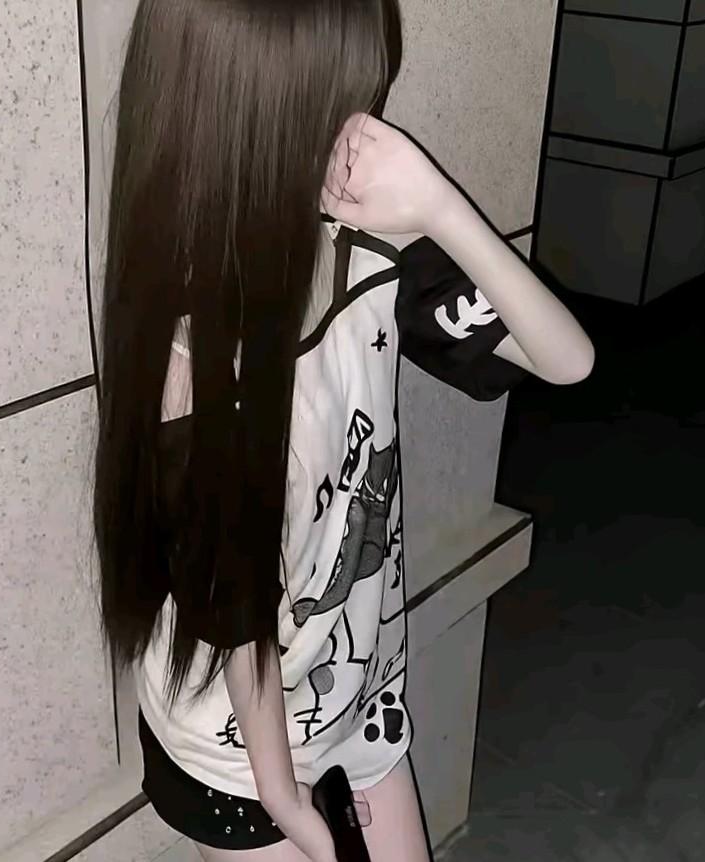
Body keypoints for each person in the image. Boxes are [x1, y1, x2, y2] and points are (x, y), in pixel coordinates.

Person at [92, 2, 595, 861]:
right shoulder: (191, 352)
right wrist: (288, 804)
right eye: (335, 106)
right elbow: (235, 611)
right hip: (239, 749)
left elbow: (567, 360)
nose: (363, 132)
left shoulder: (370, 245)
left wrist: (439, 205)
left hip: (360, 693)